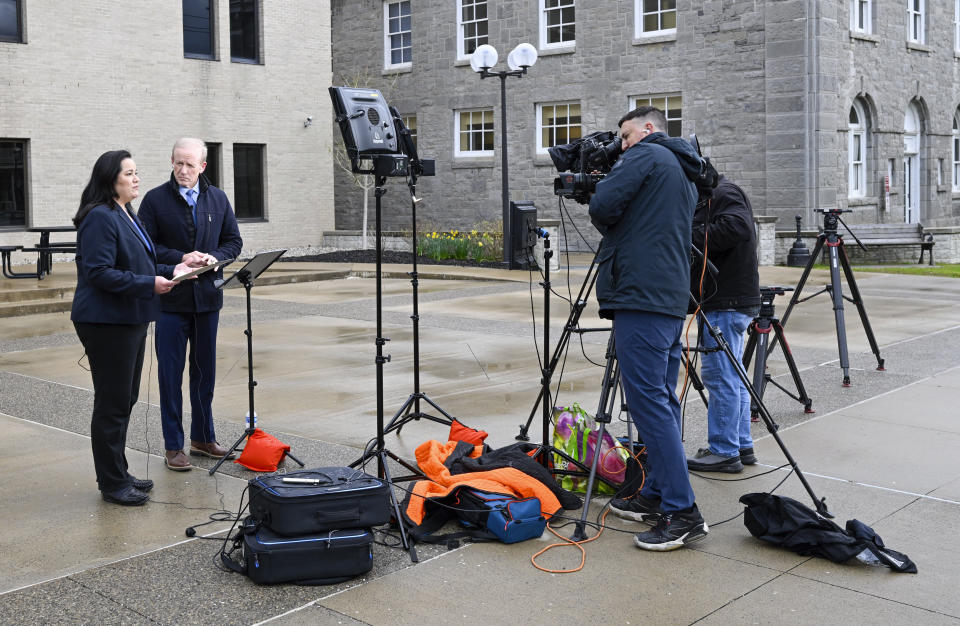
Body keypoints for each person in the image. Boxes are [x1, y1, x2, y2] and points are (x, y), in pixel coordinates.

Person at [589, 106, 709, 551]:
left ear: (648, 129)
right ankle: (657, 492)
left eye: (625, 136)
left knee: (649, 401)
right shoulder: (682, 166)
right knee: (661, 395)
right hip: (668, 295)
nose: (621, 145)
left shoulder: (647, 154)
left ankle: (683, 512)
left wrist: (604, 183)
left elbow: (603, 205)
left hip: (642, 294)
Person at [71, 150, 194, 505]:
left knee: (126, 398)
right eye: (129, 173)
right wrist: (149, 284)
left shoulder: (125, 212)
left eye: (137, 172)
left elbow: (145, 257)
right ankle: (111, 483)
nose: (136, 178)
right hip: (106, 321)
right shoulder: (100, 217)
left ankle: (119, 471)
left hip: (131, 318)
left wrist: (179, 262)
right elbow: (98, 272)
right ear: (111, 179)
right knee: (112, 403)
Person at [138, 138, 243, 471]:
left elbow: (233, 242)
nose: (183, 170)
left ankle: (202, 438)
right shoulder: (154, 200)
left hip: (208, 300)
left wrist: (216, 257)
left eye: (189, 164)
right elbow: (144, 247)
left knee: (204, 374)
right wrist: (180, 258)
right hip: (170, 301)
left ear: (203, 166)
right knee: (170, 375)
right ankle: (173, 445)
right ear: (171, 162)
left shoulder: (219, 198)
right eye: (177, 163)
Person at [687, 175, 761, 473]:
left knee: (720, 377)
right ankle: (740, 445)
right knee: (733, 374)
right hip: (730, 300)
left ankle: (724, 450)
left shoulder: (723, 192)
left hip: (726, 301)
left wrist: (686, 233)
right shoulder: (717, 193)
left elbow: (737, 227)